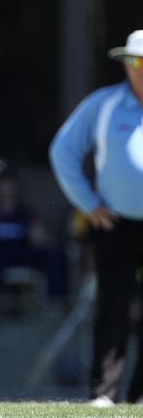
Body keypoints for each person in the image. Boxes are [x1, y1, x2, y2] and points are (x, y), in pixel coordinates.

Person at [49, 30, 143, 407]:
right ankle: (104, 393)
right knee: (112, 306)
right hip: (113, 223)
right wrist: (87, 203)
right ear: (126, 63)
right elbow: (63, 150)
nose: (138, 69)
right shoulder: (104, 105)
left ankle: (139, 396)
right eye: (133, 61)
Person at [0, 168, 65, 332]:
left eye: (9, 184)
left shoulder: (25, 209)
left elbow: (37, 236)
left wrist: (47, 241)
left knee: (53, 255)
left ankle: (53, 306)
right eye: (2, 184)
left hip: (22, 253)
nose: (6, 188)